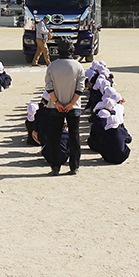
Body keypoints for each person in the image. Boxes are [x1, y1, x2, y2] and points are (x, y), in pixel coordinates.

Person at [42, 37, 83, 175]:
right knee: (74, 136)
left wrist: (57, 103)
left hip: (55, 106)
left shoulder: (52, 66)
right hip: (74, 106)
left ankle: (55, 166)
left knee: (55, 137)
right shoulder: (78, 66)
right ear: (72, 49)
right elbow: (80, 87)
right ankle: (74, 166)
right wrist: (71, 103)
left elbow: (49, 85)